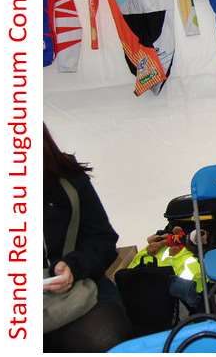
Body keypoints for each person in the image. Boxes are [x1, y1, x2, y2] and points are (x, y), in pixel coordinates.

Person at [43, 124, 132, 352]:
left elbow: (103, 240)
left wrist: (73, 266)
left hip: (78, 293)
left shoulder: (68, 178)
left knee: (104, 340)